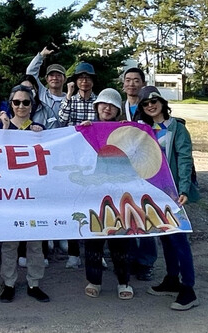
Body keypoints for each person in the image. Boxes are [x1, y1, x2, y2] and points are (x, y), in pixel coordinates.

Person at [136, 86, 199, 311]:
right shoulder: (143, 130)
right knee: (165, 236)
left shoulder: (177, 128)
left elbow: (184, 159)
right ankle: (172, 279)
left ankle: (188, 288)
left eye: (154, 101)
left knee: (179, 238)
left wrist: (183, 189)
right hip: (153, 192)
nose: (150, 105)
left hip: (173, 192)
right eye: (145, 103)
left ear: (162, 102)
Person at [0, 85, 50, 304]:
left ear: (32, 105)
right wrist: (3, 129)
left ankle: (34, 283)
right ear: (11, 104)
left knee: (35, 243)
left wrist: (41, 136)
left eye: (25, 102)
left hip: (34, 196)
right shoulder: (2, 129)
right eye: (16, 102)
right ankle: (8, 283)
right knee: (9, 242)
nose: (21, 106)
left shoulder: (39, 130)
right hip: (9, 195)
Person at [79, 88, 133, 300]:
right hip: (93, 193)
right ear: (96, 107)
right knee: (94, 239)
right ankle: (94, 280)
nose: (107, 108)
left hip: (120, 193)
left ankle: (124, 281)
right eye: (103, 104)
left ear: (118, 109)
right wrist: (81, 132)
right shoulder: (87, 128)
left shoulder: (125, 130)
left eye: (112, 105)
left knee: (120, 240)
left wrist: (130, 132)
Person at [58, 62, 98, 269]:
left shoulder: (99, 101)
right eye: (80, 77)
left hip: (94, 160)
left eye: (87, 77)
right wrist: (67, 95)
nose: (84, 81)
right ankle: (73, 253)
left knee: (95, 204)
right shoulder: (71, 101)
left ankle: (96, 253)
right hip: (73, 160)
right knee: (74, 204)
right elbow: (61, 121)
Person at [121, 67, 156, 281]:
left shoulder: (148, 107)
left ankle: (146, 261)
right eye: (128, 80)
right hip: (123, 167)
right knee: (126, 212)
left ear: (143, 83)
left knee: (145, 212)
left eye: (136, 80)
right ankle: (130, 257)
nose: (132, 84)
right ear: (123, 84)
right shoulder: (118, 107)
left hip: (145, 167)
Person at [25, 44, 67, 116]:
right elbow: (30, 73)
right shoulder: (41, 92)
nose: (55, 78)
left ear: (65, 79)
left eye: (59, 75)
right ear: (46, 79)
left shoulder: (70, 99)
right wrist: (41, 55)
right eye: (51, 75)